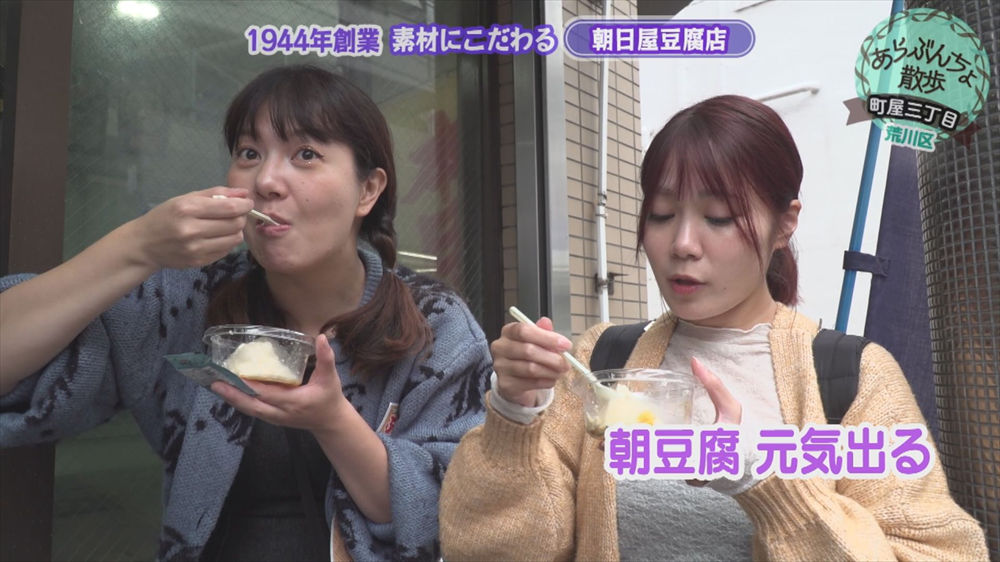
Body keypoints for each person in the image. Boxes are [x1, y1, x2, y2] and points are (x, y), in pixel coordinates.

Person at [439, 95, 989, 561]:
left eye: (719, 217)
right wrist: (516, 413)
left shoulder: (853, 377)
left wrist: (762, 477)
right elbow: (493, 550)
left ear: (785, 224)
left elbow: (942, 553)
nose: (682, 243)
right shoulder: (601, 359)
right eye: (661, 214)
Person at [0, 65, 491, 561]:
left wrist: (334, 422)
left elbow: (455, 512)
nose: (267, 181)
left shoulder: (434, 323)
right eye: (249, 153)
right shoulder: (190, 297)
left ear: (368, 190)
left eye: (306, 154)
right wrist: (136, 246)